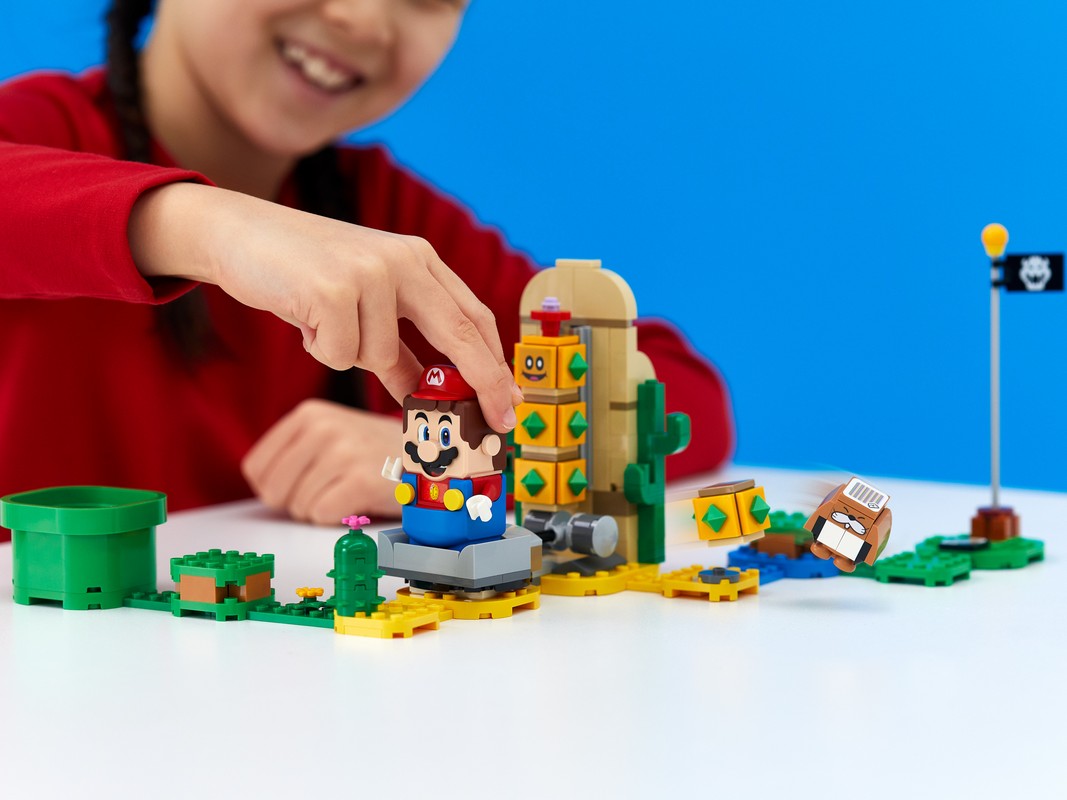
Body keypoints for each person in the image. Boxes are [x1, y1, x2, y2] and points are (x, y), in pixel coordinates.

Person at [0, 0, 733, 542]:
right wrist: (211, 227)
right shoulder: (40, 135)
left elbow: (676, 393)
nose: (362, 17)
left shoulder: (379, 218)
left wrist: (451, 456)